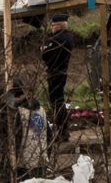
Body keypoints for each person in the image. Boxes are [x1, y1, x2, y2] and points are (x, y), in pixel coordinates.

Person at [41, 13, 74, 142]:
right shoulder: (69, 37)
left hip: (55, 73)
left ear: (59, 25)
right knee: (59, 102)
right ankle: (63, 130)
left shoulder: (57, 39)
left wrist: (43, 48)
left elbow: (44, 55)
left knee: (56, 103)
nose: (51, 28)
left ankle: (62, 131)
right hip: (61, 72)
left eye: (53, 25)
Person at [11, 80, 50, 180]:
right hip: (42, 160)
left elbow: (16, 140)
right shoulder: (41, 109)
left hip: (24, 164)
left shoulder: (17, 112)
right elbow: (49, 134)